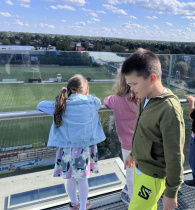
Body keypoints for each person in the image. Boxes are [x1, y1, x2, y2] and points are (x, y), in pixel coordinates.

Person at [123, 48, 185, 210]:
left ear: (152, 78)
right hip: (140, 168)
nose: (132, 89)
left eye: (134, 84)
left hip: (153, 176)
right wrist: (133, 154)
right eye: (129, 84)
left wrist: (171, 193)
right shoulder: (145, 98)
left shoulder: (169, 109)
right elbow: (144, 133)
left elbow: (175, 155)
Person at [37, 74, 106, 210]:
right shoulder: (92, 102)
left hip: (66, 149)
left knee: (70, 178)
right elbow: (98, 101)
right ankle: (82, 207)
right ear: (85, 90)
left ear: (68, 90)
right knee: (82, 179)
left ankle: (74, 203)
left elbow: (40, 105)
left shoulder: (61, 105)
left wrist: (59, 100)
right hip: (84, 149)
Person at [104, 71, 139, 205]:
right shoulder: (144, 99)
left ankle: (132, 200)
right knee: (140, 171)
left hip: (127, 145)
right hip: (145, 143)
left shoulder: (116, 99)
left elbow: (106, 100)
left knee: (130, 174)